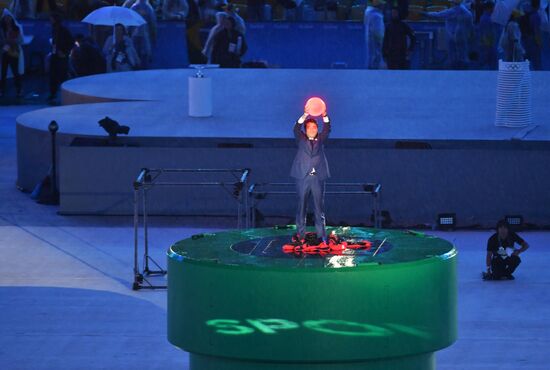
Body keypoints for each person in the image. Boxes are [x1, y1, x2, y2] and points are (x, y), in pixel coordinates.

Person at [291, 106, 331, 243]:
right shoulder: (301, 139)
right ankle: (301, 236)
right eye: (309, 127)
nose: (312, 130)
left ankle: (321, 236)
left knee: (319, 207)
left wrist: (324, 115)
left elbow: (327, 129)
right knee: (301, 206)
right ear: (306, 129)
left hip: (317, 177)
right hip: (302, 177)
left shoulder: (321, 139)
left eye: (314, 127)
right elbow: (296, 128)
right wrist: (305, 115)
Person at [424, 0, 475, 69]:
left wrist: (425, 14)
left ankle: (454, 70)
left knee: (452, 55)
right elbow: (470, 25)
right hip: (462, 36)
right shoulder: (467, 12)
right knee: (462, 54)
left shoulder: (452, 11)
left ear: (453, 3)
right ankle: (463, 70)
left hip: (452, 36)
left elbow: (437, 15)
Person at [48, 12, 74, 101]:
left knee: (62, 75)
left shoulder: (64, 30)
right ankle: (53, 93)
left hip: (62, 56)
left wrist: (65, 52)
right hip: (54, 54)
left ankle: (65, 94)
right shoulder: (54, 29)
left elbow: (71, 42)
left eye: (51, 18)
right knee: (53, 75)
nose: (50, 20)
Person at [0, 9, 24, 98]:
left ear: (11, 18)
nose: (7, 20)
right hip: (4, 51)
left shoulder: (16, 28)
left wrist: (12, 42)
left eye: (9, 18)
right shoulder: (1, 29)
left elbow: (20, 40)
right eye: (5, 18)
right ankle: (2, 90)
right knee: (3, 72)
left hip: (14, 52)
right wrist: (4, 43)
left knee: (15, 72)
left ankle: (19, 89)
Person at [130, 0, 157, 69]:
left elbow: (152, 22)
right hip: (138, 34)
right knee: (140, 53)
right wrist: (154, 34)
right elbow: (153, 23)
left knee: (141, 53)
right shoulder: (135, 7)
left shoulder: (146, 7)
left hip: (141, 34)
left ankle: (140, 68)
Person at [519, 0, 542, 70]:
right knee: (536, 61)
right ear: (538, 5)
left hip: (525, 39)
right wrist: (539, 43)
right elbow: (536, 31)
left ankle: (524, 75)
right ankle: (538, 77)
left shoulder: (527, 14)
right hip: (533, 41)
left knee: (526, 59)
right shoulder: (536, 16)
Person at [478, 1, 500, 69]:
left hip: (487, 43)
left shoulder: (485, 17)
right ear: (489, 8)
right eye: (493, 8)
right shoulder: (487, 18)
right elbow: (487, 33)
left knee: (487, 61)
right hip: (489, 43)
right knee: (490, 62)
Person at [364, 0, 386, 69]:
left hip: (372, 40)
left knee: (372, 54)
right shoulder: (375, 14)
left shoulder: (369, 12)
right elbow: (378, 33)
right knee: (375, 54)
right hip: (375, 41)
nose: (383, 6)